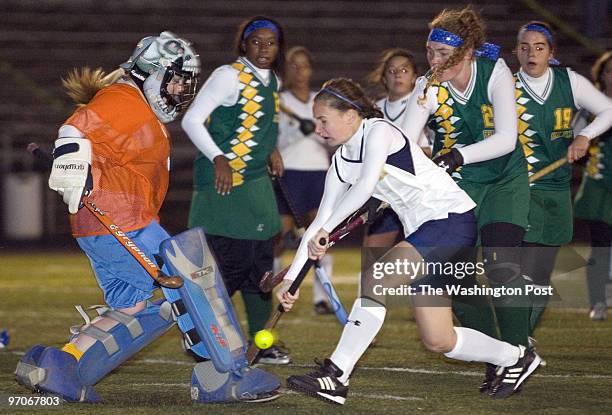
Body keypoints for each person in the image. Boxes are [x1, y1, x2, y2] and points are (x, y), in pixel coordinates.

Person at [277, 78, 541, 404]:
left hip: (449, 220)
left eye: (323, 120)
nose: (318, 129)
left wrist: (326, 231)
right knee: (438, 339)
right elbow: (317, 222)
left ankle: (337, 374)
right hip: (426, 230)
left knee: (377, 276)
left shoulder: (379, 132)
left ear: (350, 114)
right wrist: (291, 280)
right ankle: (515, 358)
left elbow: (363, 190)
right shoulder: (341, 162)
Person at [15, 32, 203, 402]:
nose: (181, 88)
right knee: (183, 289)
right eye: (177, 78)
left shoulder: (134, 103)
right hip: (121, 216)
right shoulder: (124, 97)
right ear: (153, 71)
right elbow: (74, 128)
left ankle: (61, 365)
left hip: (103, 222)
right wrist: (71, 164)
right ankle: (223, 376)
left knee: (134, 304)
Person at [401, 5, 532, 393]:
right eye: (430, 51)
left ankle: (520, 354)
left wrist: (458, 154)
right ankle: (498, 356)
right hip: (458, 189)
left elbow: (507, 138)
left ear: (467, 51)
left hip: (505, 180)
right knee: (458, 279)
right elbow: (406, 141)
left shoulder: (495, 71)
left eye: (443, 54)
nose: (434, 60)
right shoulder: (428, 86)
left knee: (501, 264)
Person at [181, 16, 289, 364]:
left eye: (270, 43)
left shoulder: (274, 80)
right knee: (227, 266)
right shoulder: (229, 75)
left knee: (260, 267)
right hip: (224, 185)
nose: (263, 48)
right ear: (244, 44)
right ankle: (205, 342)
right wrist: (218, 157)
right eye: (256, 42)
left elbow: (261, 124)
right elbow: (191, 119)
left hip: (256, 182)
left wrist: (271, 147)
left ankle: (261, 343)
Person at [514, 24, 612, 331]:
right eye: (525, 47)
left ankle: (523, 339)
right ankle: (516, 338)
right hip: (516, 189)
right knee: (517, 269)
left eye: (540, 47)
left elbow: (608, 110)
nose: (532, 53)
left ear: (551, 52)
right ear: (516, 51)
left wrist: (584, 136)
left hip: (554, 190)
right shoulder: (503, 85)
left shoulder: (569, 81)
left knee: (540, 273)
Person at [274, 46, 335, 315]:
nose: (299, 71)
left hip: (318, 171)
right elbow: (274, 140)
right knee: (280, 233)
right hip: (289, 171)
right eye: (293, 65)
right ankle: (275, 286)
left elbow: (330, 138)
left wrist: (317, 130)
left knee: (321, 234)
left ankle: (323, 297)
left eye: (304, 65)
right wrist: (297, 133)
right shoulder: (278, 100)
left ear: (311, 69)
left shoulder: (318, 101)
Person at [363, 48, 431, 249]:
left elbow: (432, 151)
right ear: (384, 78)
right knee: (372, 252)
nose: (398, 75)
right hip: (387, 191)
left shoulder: (425, 104)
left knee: (422, 256)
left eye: (404, 70)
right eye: (392, 71)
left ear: (414, 78)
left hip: (418, 192)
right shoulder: (374, 109)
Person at [573, 50, 612, 321]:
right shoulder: (589, 108)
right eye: (609, 70)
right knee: (600, 247)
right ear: (601, 74)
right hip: (600, 187)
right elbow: (576, 145)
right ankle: (598, 301)